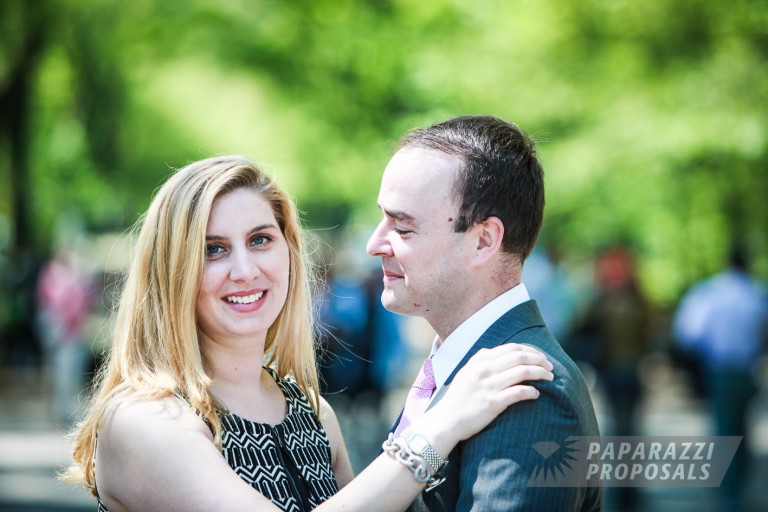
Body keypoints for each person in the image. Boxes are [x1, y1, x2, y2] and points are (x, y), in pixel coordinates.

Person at [62, 155, 555, 512]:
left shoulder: (313, 414)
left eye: (260, 240)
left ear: (289, 253)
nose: (244, 269)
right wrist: (438, 427)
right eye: (212, 249)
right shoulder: (146, 421)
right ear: (172, 271)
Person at [366, 115, 602, 511]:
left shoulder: (530, 390)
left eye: (403, 228)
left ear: (484, 241)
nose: (375, 244)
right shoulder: (462, 367)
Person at [673, 243, 768, 512]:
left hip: (719, 371)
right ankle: (738, 490)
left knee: (725, 430)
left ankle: (729, 496)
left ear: (727, 262)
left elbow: (688, 334)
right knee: (744, 429)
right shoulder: (758, 294)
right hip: (749, 371)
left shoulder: (708, 293)